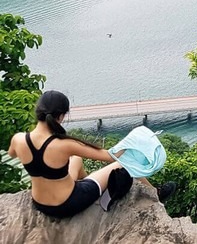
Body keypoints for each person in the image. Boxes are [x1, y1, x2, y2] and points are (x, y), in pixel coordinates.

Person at [7, 90, 173, 219]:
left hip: (40, 203)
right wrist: (134, 140)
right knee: (120, 164)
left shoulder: (19, 140)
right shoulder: (65, 144)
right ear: (61, 116)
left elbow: (12, 154)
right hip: (68, 204)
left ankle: (89, 185)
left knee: (76, 159)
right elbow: (111, 156)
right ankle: (155, 193)